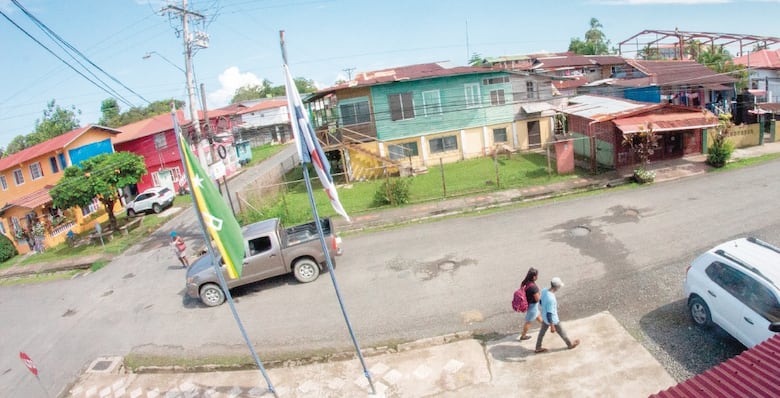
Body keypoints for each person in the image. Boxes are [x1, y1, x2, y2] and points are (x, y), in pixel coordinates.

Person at [535, 277, 580, 353]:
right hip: (553, 320)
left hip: (544, 317)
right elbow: (550, 314)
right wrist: (552, 326)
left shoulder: (544, 290)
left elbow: (540, 302)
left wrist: (545, 309)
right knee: (562, 332)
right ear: (557, 287)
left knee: (541, 333)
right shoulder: (551, 299)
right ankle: (570, 345)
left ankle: (537, 347)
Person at [519, 267, 542, 341]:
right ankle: (523, 336)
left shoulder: (525, 282)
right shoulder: (533, 287)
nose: (537, 277)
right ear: (534, 277)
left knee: (537, 316)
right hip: (532, 306)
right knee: (528, 322)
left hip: (529, 304)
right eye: (537, 275)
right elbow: (538, 299)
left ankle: (545, 325)